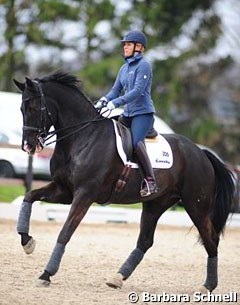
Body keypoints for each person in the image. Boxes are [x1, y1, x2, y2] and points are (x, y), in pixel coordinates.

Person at [95, 30, 158, 197]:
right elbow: (115, 90)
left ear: (139, 48)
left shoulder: (144, 65)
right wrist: (102, 100)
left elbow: (137, 91)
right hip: (128, 114)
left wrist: (115, 103)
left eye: (128, 44)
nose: (125, 47)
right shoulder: (124, 68)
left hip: (142, 114)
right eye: (125, 44)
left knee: (136, 143)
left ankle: (150, 181)